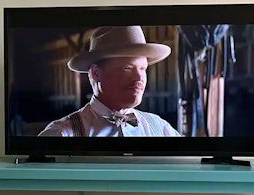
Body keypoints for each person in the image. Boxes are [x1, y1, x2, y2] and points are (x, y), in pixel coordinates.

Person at [38, 25, 182, 137]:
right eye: (127, 68)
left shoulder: (159, 128)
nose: (139, 78)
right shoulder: (62, 134)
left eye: (143, 68)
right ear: (96, 73)